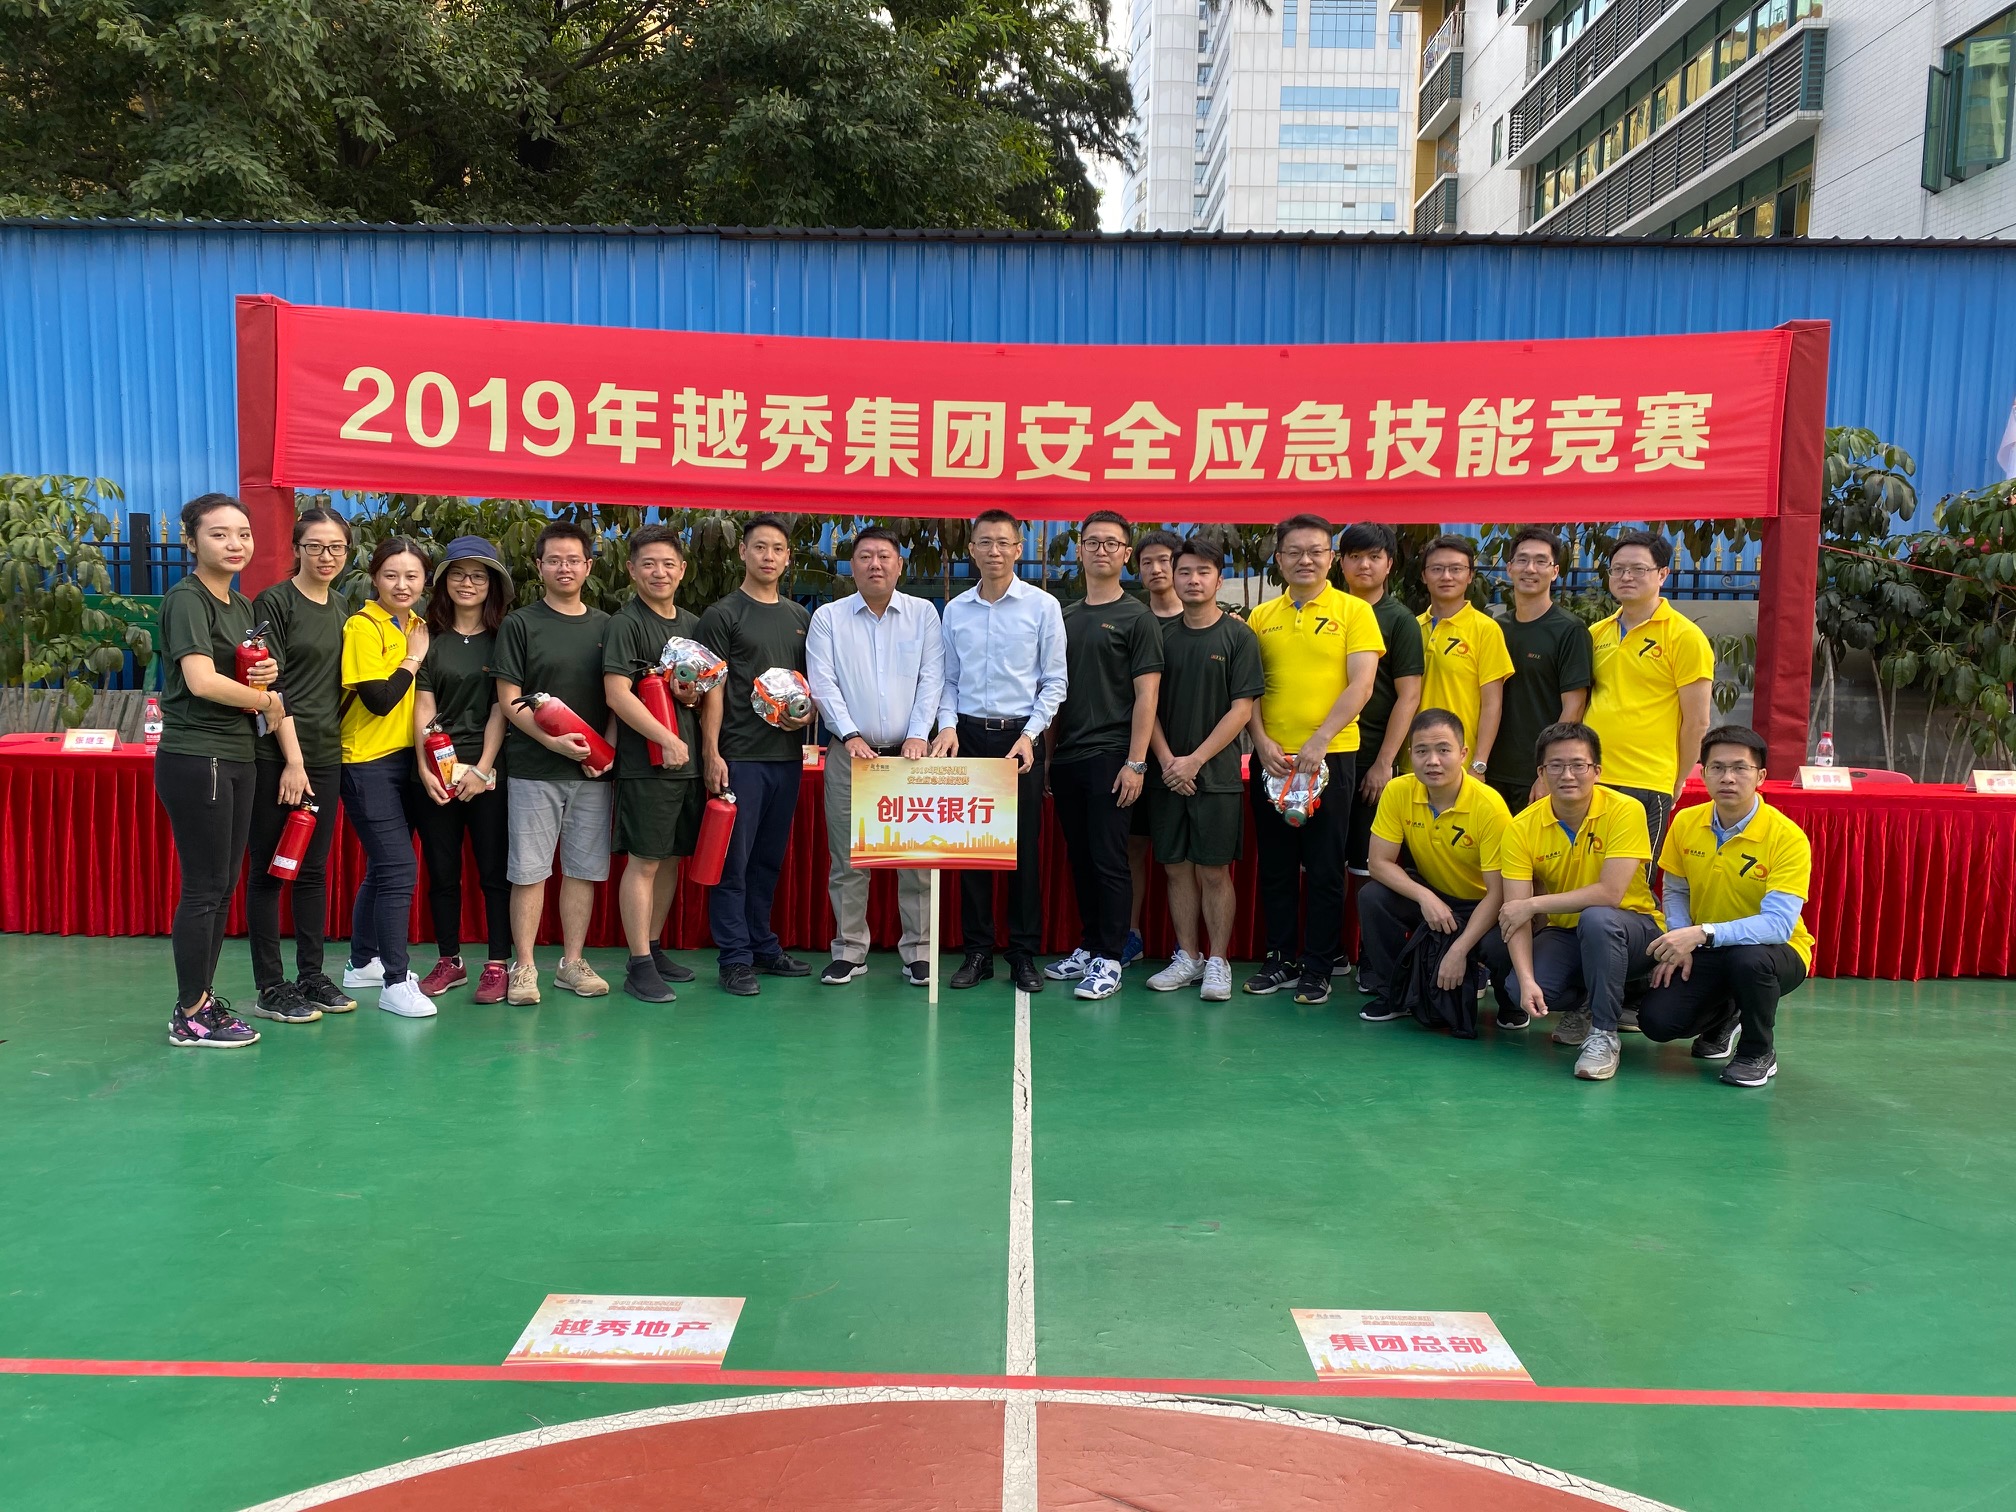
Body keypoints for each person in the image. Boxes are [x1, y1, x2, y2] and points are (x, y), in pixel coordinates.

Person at [156, 494, 282, 1047]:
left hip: (236, 753)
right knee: (205, 888)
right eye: (219, 534)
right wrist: (266, 701)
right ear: (190, 541)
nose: (235, 544)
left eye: (243, 534)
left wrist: (265, 676)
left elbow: (245, 670)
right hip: (198, 753)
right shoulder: (188, 599)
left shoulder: (242, 605)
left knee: (222, 886)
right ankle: (190, 1012)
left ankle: (201, 1003)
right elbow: (202, 681)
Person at [1243, 515, 1383, 1004]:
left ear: (1331, 558)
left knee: (1325, 868)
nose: (1305, 560)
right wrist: (1259, 740)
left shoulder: (1354, 611)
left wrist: (1321, 739)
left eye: (1316, 551)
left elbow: (1362, 684)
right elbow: (1249, 689)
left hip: (1331, 758)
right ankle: (1280, 957)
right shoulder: (1262, 617)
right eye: (1294, 551)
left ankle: (1320, 964)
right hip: (1273, 761)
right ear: (1279, 559)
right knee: (1276, 866)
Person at [932, 508, 1067, 995]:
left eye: (1003, 542)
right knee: (971, 850)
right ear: (971, 550)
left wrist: (1030, 735)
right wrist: (948, 726)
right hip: (969, 737)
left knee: (1021, 851)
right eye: (984, 542)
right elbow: (948, 680)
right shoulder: (956, 610)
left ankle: (1023, 953)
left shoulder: (1042, 607)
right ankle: (977, 952)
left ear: (1018, 549)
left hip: (1020, 739)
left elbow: (1055, 682)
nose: (994, 551)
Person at [1484, 722, 1666, 1082]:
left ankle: (1604, 1034)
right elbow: (1514, 914)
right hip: (1568, 932)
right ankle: (1586, 1003)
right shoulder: (1521, 827)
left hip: (1633, 929)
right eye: (1556, 765)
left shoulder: (1625, 810)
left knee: (1598, 918)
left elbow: (1610, 894)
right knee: (1520, 988)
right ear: (1541, 773)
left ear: (1597, 770)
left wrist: (1535, 905)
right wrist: (1527, 980)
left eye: (1578, 765)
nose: (1567, 775)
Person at [1638, 725, 1816, 1089]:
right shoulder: (1686, 821)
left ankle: (1756, 1052)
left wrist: (1702, 933)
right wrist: (1679, 937)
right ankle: (1728, 1014)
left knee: (1748, 960)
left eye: (1740, 768)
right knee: (1657, 1023)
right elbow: (1676, 890)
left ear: (1760, 776)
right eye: (1717, 768)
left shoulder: (1787, 838)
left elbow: (1778, 925)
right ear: (1703, 773)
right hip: (1706, 946)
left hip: (1775, 952)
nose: (1728, 778)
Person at [806, 527, 944, 988]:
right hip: (850, 755)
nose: (875, 564)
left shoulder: (923, 614)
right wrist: (848, 734)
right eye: (865, 556)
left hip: (912, 758)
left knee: (916, 860)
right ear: (853, 565)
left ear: (900, 565)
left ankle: (919, 952)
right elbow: (822, 682)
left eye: (884, 556)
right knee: (848, 860)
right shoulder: (828, 617)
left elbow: (932, 678)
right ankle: (849, 951)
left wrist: (919, 734)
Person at [495, 520, 616, 1005]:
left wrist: (603, 755)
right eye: (554, 560)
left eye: (573, 560)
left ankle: (572, 963)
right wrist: (554, 744)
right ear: (538, 566)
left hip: (592, 772)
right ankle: (524, 967)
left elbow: (616, 698)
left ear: (588, 566)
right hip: (534, 768)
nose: (564, 568)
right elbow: (509, 701)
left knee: (582, 870)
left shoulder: (608, 626)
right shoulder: (521, 624)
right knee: (528, 871)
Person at [1046, 512, 1164, 1001]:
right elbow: (1052, 693)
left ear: (1126, 554)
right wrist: (1049, 758)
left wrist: (1136, 762)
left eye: (1111, 543)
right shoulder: (1064, 616)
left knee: (1109, 859)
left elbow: (1147, 695)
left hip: (1112, 756)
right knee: (1080, 858)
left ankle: (1111, 957)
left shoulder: (1139, 618)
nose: (1101, 550)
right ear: (1079, 550)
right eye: (1092, 542)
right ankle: (1090, 945)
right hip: (1067, 757)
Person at [244, 505, 354, 1025]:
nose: (326, 556)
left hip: (326, 754)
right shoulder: (275, 602)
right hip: (278, 755)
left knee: (311, 871)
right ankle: (271, 986)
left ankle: (312, 975)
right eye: (314, 546)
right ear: (296, 549)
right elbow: (272, 686)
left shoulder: (344, 607)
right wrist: (292, 759)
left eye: (336, 547)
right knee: (269, 870)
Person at [696, 514, 814, 997]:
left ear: (788, 558)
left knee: (767, 860)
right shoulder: (723, 614)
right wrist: (712, 752)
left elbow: (810, 687)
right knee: (733, 863)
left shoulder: (799, 617)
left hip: (786, 758)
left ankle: (762, 944)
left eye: (777, 549)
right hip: (739, 757)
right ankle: (734, 957)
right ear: (742, 552)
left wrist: (807, 717)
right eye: (760, 547)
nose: (768, 556)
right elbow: (710, 689)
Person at [1144, 538, 1263, 1003]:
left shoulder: (1238, 636)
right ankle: (1188, 956)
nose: (1193, 580)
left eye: (1203, 572)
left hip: (1217, 777)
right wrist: (1167, 760)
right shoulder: (1159, 635)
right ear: (1173, 577)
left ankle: (1217, 961)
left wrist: (1194, 760)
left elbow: (1242, 709)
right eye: (1185, 571)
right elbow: (1146, 705)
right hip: (1166, 774)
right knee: (1176, 870)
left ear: (1219, 578)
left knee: (1214, 871)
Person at [601, 526, 707, 1004]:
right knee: (644, 860)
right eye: (648, 564)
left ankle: (655, 946)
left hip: (687, 762)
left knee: (670, 858)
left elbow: (703, 687)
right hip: (647, 763)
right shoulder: (626, 623)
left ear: (682, 570)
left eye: (668, 564)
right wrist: (665, 737)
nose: (659, 572)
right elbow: (617, 694)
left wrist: (692, 700)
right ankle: (639, 963)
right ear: (631, 570)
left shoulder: (692, 623)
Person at [1356, 709, 1513, 1028]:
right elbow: (1379, 864)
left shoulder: (1489, 806)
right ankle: (1393, 993)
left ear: (1463, 754)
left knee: (1502, 942)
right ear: (1410, 754)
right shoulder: (1398, 790)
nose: (1433, 761)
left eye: (1443, 750)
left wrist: (1459, 950)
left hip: (1483, 904)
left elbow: (1498, 894)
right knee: (1373, 897)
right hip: (1435, 894)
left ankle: (1510, 1003)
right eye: (1422, 751)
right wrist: (1425, 897)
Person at [338, 536, 437, 1019]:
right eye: (391, 575)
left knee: (383, 868)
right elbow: (377, 700)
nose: (402, 584)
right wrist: (412, 659)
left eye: (412, 576)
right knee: (399, 869)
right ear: (374, 577)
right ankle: (396, 982)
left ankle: (363, 963)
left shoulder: (416, 624)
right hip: (365, 761)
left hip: (405, 760)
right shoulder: (363, 626)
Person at [412, 536, 513, 1006]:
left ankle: (497, 963)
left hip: (488, 771)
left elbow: (501, 708)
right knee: (442, 871)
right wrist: (424, 767)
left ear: (492, 585)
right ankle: (449, 960)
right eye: (457, 574)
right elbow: (423, 705)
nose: (467, 583)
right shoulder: (428, 637)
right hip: (438, 770)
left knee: (494, 872)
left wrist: (483, 770)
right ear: (443, 582)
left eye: (477, 576)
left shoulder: (505, 637)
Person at [1583, 530, 1714, 850]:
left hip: (1646, 780)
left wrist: (1678, 779)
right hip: (1590, 777)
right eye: (1618, 569)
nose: (1626, 576)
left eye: (1638, 569)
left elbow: (1697, 721)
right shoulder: (1596, 633)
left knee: (1635, 876)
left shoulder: (1685, 636)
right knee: (1585, 871)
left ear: (1662, 574)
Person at [1338, 523, 1424, 889]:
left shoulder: (1400, 620)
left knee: (1365, 864)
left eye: (1374, 557)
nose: (1364, 565)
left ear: (1389, 564)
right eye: (1355, 556)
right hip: (1323, 753)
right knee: (1323, 859)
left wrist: (1384, 762)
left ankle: (1362, 931)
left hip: (1369, 756)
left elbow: (1409, 696)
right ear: (1340, 562)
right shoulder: (1329, 611)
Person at [1488, 528, 1591, 815]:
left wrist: (1547, 772)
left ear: (1555, 571)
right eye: (1522, 560)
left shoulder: (1569, 630)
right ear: (1509, 568)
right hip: (1490, 770)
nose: (1530, 569)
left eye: (1540, 561)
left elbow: (1574, 706)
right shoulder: (1495, 628)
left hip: (1535, 775)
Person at [1125, 528, 1185, 966]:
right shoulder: (1133, 620)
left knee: (1186, 859)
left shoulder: (1208, 621)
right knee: (1132, 848)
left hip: (1192, 761)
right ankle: (1130, 935)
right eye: (1147, 562)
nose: (1156, 569)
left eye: (1165, 560)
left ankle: (1190, 947)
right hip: (1139, 758)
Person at [1415, 534, 1512, 776]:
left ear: (1470, 576)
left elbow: (1492, 704)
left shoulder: (1486, 629)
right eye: (1437, 569)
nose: (1446, 576)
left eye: (1456, 569)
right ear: (1424, 575)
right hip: (1414, 757)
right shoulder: (1412, 627)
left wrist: (1479, 763)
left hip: (1460, 763)